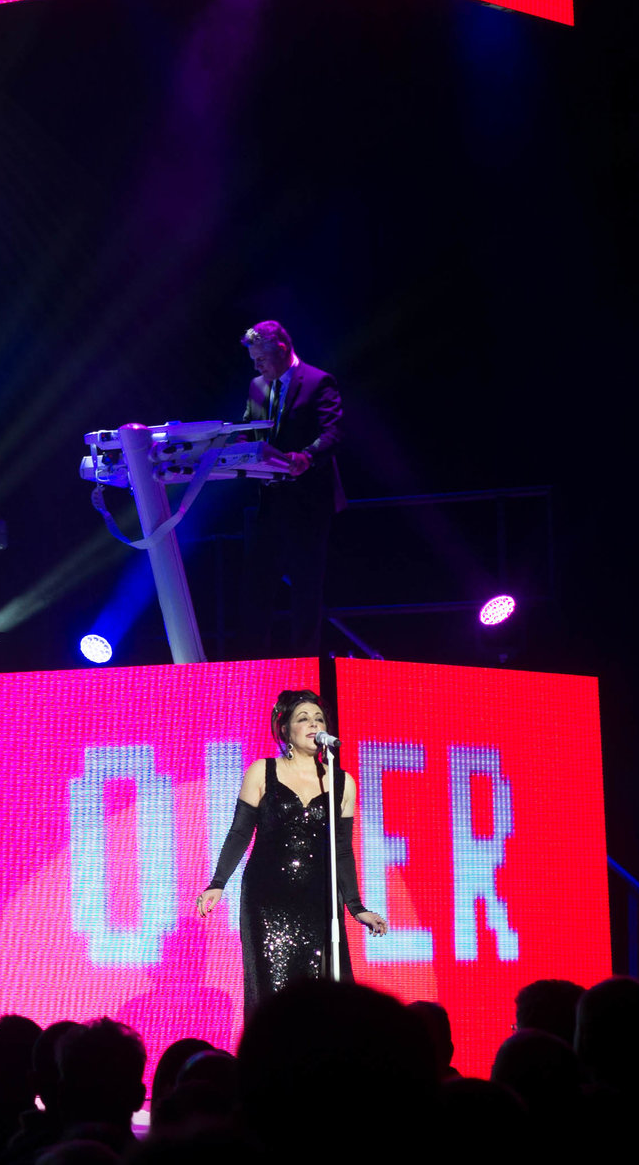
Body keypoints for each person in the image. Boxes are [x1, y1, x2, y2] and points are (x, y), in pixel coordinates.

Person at [197, 690, 389, 1015]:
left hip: (318, 900)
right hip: (266, 898)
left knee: (318, 997)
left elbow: (342, 850)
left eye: (319, 719)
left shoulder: (342, 782)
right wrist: (218, 882)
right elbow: (240, 831)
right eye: (304, 719)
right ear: (285, 729)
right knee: (273, 991)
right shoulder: (262, 771)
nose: (313, 725)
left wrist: (356, 907)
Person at [239, 321, 345, 657]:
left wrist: (307, 456)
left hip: (308, 502)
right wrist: (234, 450)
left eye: (262, 359)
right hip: (268, 501)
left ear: (282, 349)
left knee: (306, 588)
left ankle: (306, 663)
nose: (257, 366)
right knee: (256, 586)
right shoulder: (256, 386)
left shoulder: (318, 381)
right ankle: (254, 665)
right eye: (254, 360)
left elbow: (333, 433)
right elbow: (247, 429)